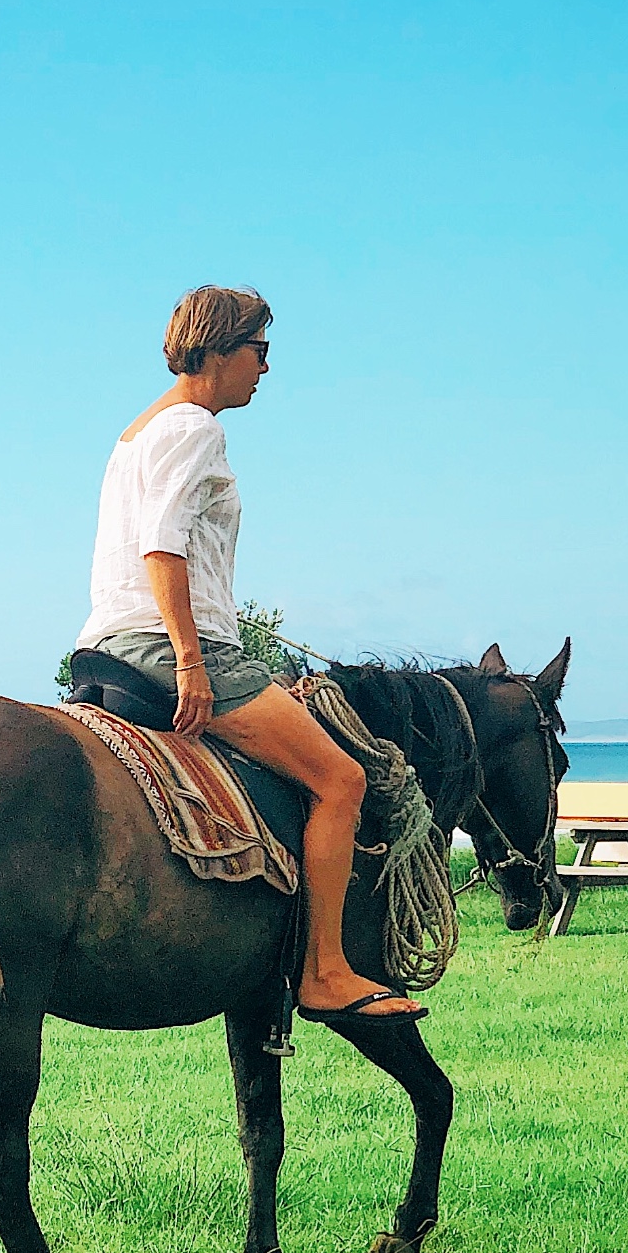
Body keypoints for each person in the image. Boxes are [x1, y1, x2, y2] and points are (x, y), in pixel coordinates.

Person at [73, 283, 422, 1024]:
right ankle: (326, 971)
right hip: (165, 648)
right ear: (220, 351)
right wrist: (195, 662)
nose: (267, 369)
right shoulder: (197, 427)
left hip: (104, 643)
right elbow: (162, 548)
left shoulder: (137, 431)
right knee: (341, 780)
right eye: (260, 352)